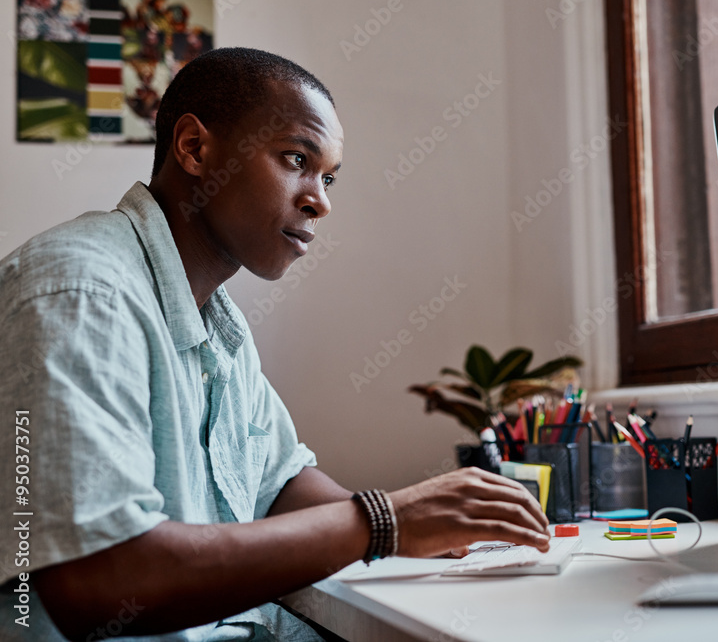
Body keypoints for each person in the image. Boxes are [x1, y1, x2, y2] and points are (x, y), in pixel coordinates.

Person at [0, 47, 549, 641]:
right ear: (194, 148)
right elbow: (97, 579)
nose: (321, 199)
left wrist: (428, 524)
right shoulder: (82, 292)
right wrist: (384, 522)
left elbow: (280, 485)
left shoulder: (218, 321)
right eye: (296, 159)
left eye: (329, 176)